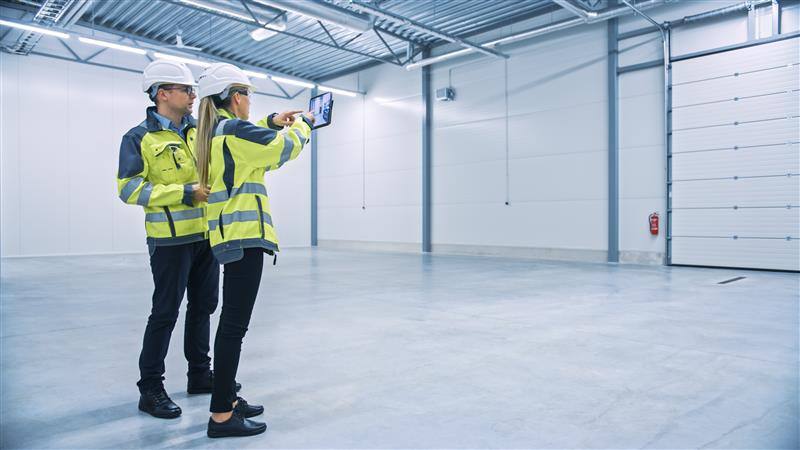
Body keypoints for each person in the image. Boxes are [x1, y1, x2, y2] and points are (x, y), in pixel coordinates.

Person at [194, 62, 314, 438]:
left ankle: (227, 400)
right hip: (244, 236)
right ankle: (221, 416)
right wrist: (304, 127)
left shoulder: (218, 132)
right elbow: (277, 151)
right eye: (248, 94)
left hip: (233, 235)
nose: (250, 101)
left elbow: (253, 146)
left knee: (231, 324)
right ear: (236, 97)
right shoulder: (232, 131)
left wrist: (272, 120)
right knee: (234, 326)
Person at [116, 59, 239, 419]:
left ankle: (200, 375)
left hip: (204, 236)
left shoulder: (198, 131)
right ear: (162, 93)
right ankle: (150, 388)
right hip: (168, 242)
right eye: (186, 90)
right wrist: (183, 192)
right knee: (165, 312)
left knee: (204, 308)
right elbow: (128, 188)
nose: (192, 96)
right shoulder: (139, 138)